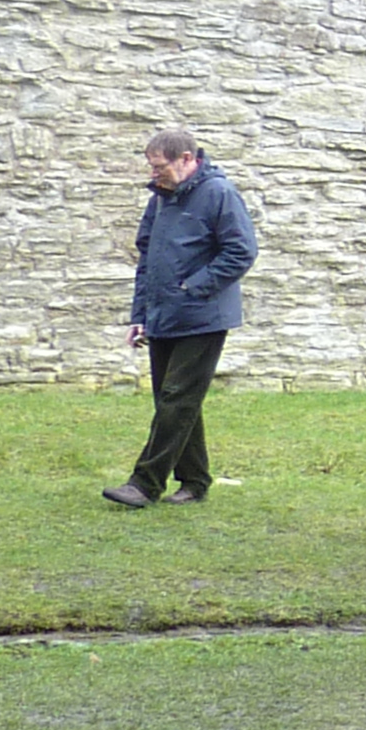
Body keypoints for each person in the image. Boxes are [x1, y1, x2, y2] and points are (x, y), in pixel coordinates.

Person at [104, 126, 258, 508]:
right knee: (172, 400)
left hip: (203, 316)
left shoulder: (220, 193)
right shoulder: (160, 198)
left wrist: (193, 288)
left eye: (160, 166)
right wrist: (139, 314)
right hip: (163, 315)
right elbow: (147, 258)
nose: (153, 173)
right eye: (151, 166)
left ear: (187, 160)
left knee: (177, 398)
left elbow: (241, 252)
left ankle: (144, 484)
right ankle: (195, 480)